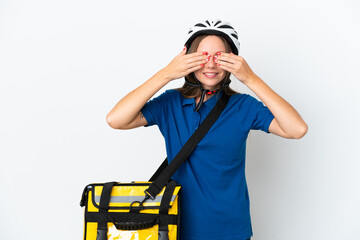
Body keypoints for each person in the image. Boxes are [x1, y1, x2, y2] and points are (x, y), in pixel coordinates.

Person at [106, 18, 308, 240]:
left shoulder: (243, 106)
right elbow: (116, 119)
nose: (211, 64)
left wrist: (250, 78)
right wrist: (166, 73)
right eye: (202, 56)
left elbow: (296, 129)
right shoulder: (171, 102)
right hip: (174, 227)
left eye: (220, 57)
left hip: (229, 230)